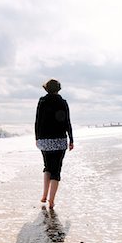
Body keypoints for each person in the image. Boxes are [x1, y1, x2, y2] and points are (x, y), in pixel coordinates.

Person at [35, 79, 74, 209]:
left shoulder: (42, 101)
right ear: (59, 88)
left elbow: (37, 121)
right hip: (60, 140)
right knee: (56, 170)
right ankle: (51, 201)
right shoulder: (63, 102)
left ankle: (44, 196)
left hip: (44, 140)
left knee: (47, 167)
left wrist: (37, 138)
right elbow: (67, 122)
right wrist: (71, 139)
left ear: (46, 89)